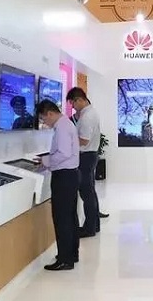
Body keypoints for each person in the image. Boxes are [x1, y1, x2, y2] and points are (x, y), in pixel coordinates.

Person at [36, 99, 80, 271]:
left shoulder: (62, 127)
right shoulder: (65, 124)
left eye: (43, 119)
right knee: (70, 217)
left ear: (50, 113)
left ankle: (65, 259)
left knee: (62, 218)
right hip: (70, 175)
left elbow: (63, 153)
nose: (44, 123)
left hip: (64, 177)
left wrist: (46, 161)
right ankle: (71, 254)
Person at [66, 87, 104, 237]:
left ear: (80, 100)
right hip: (90, 155)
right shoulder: (89, 113)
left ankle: (89, 228)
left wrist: (67, 141)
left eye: (73, 103)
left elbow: (84, 140)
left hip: (86, 157)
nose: (73, 107)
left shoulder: (87, 116)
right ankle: (94, 226)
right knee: (90, 193)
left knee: (87, 194)